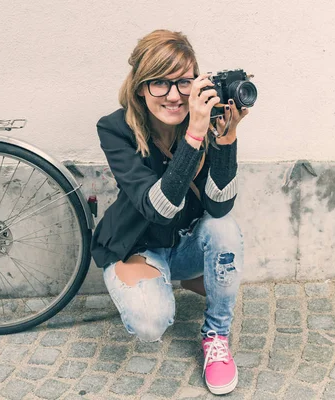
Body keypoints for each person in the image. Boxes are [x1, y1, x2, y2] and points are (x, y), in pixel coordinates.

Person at [90, 29, 249, 395]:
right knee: (150, 322)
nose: (174, 95)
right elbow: (158, 209)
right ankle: (161, 283)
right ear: (140, 87)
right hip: (138, 244)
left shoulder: (207, 118)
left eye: (183, 82)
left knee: (223, 228)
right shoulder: (115, 129)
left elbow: (219, 205)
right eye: (159, 83)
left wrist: (225, 139)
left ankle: (216, 338)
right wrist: (194, 135)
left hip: (185, 242)